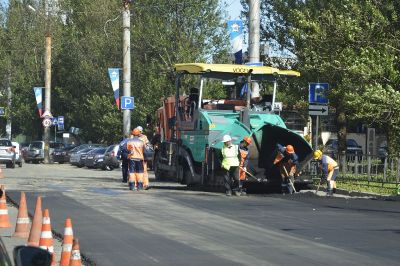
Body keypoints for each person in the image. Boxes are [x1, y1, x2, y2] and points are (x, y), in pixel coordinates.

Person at [136, 126, 151, 190]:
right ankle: (138, 184)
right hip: (137, 157)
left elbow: (148, 146)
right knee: (138, 171)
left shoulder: (143, 137)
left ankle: (145, 184)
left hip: (142, 157)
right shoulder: (138, 138)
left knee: (144, 171)